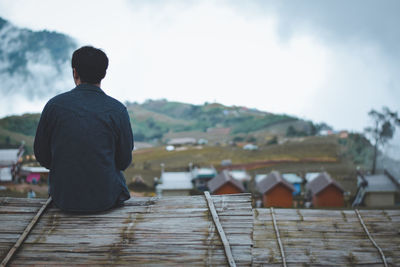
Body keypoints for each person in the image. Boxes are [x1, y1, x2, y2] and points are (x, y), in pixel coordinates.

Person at [34, 46, 133, 212]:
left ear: (75, 72)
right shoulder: (117, 110)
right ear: (104, 74)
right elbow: (123, 161)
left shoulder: (54, 106)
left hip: (64, 199)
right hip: (105, 200)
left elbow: (42, 155)